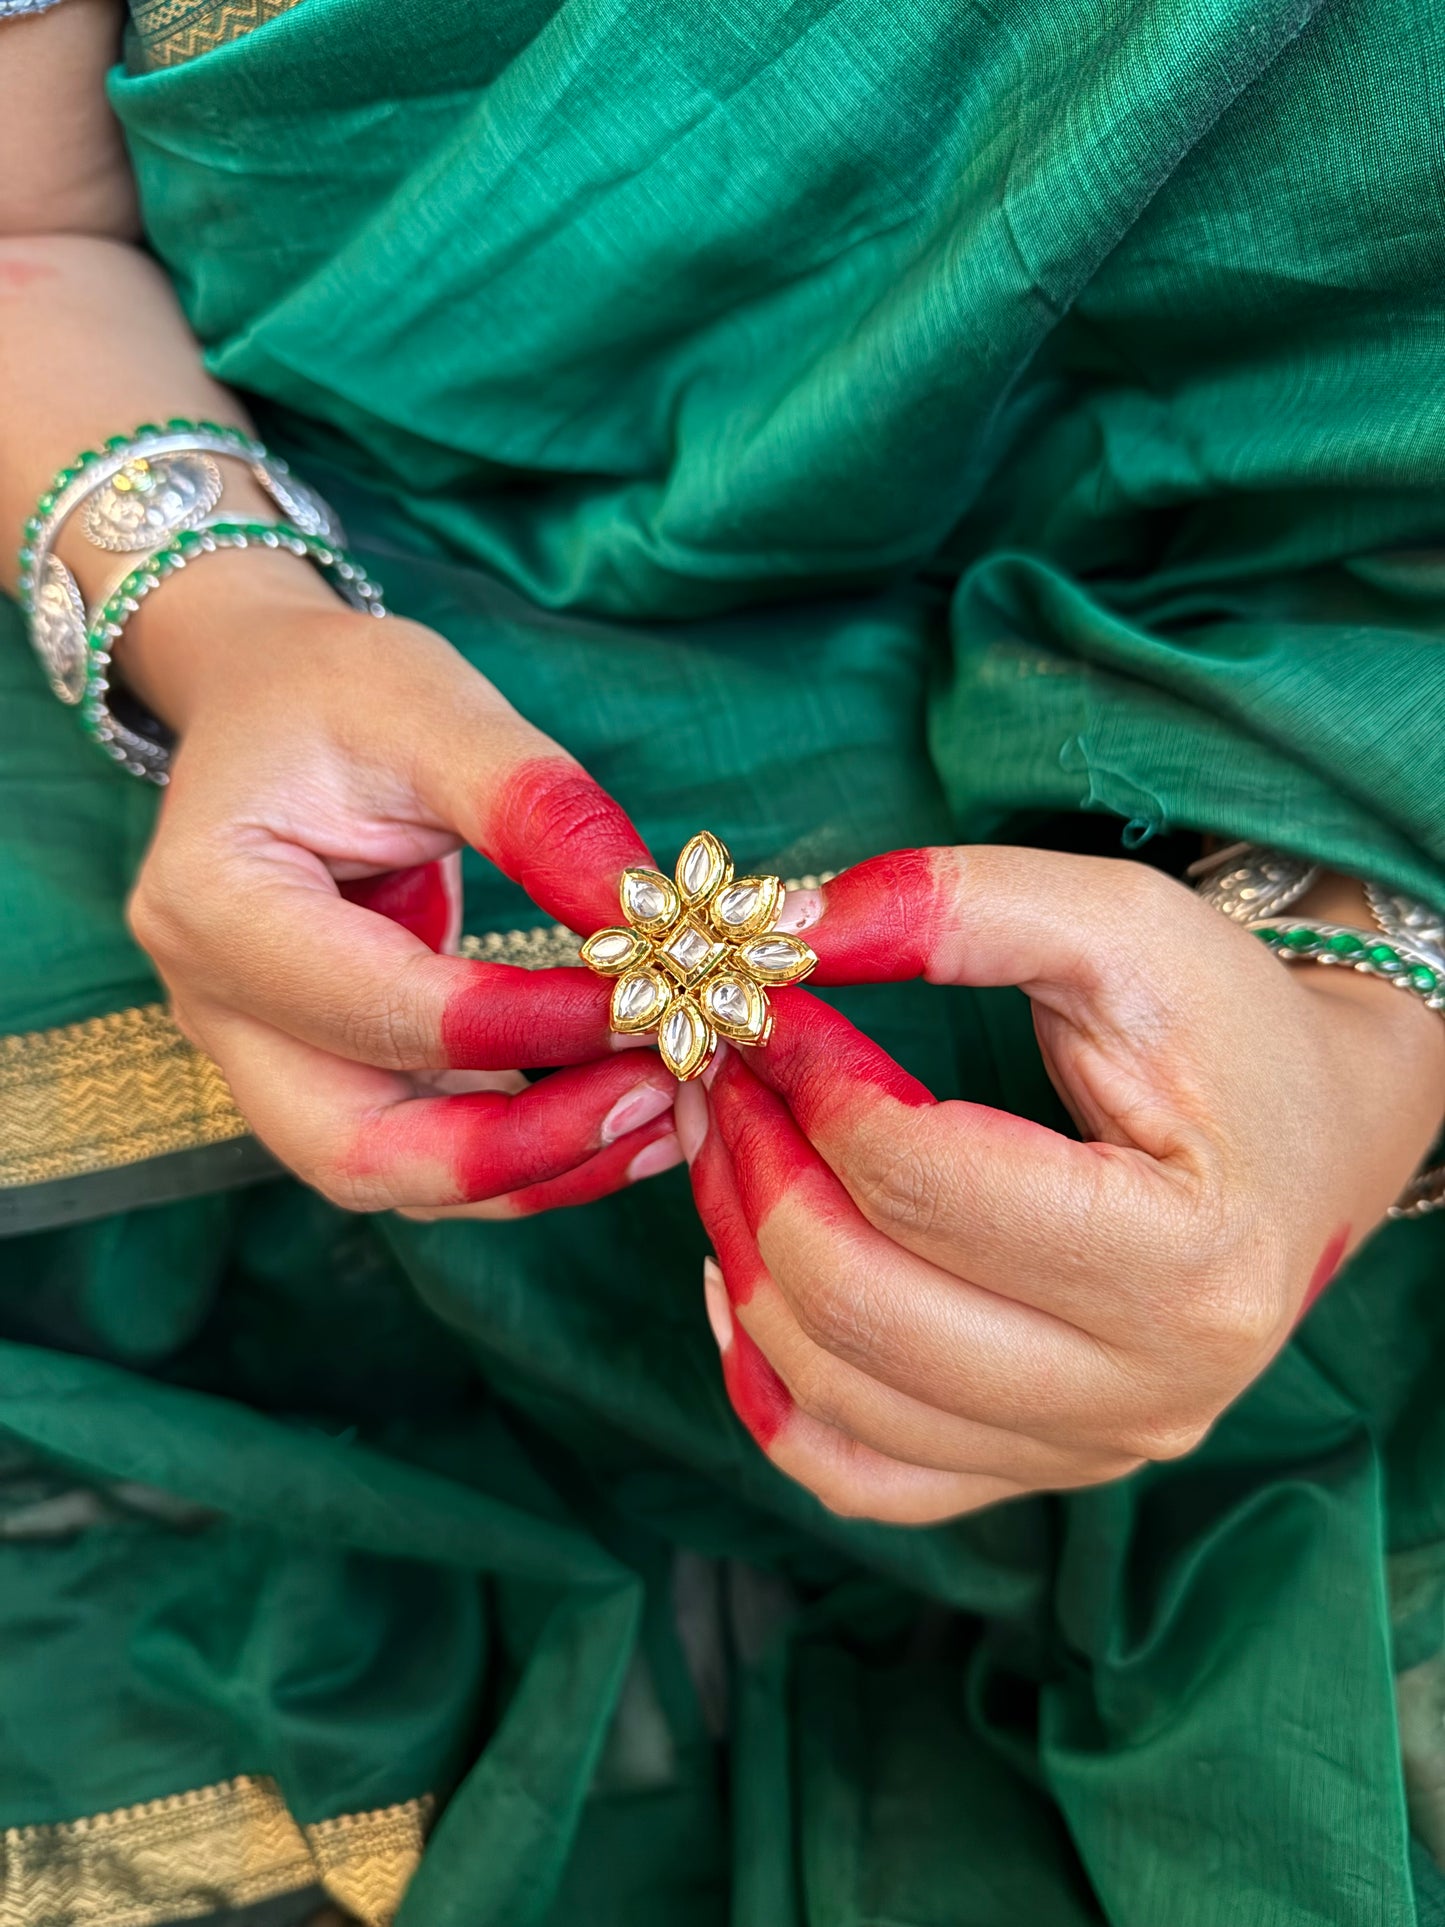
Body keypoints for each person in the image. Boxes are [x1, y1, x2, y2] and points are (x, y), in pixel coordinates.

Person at [2, 0, 1444, 1920]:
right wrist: (219, 624)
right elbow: (31, 227)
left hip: (1265, 1004)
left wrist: (1361, 1055)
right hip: (260, 858)